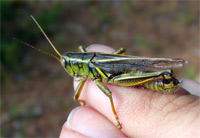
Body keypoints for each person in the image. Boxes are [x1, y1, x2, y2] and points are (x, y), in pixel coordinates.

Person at [60, 45, 200, 138]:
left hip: (136, 77)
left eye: (67, 64)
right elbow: (76, 97)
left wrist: (116, 117)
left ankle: (163, 76)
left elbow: (107, 94)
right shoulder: (86, 56)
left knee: (107, 93)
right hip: (119, 72)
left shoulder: (90, 68)